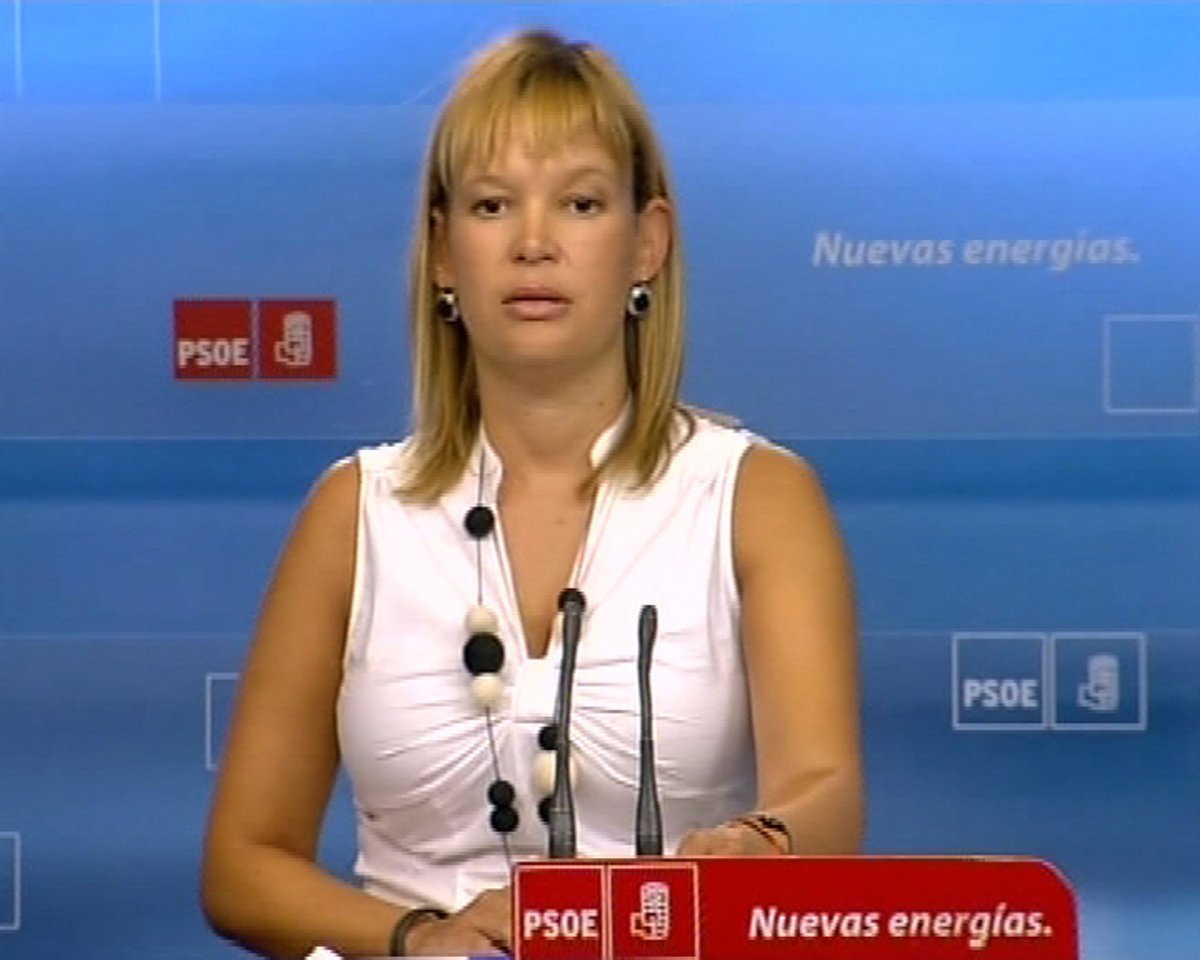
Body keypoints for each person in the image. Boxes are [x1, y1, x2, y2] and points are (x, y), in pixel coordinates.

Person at [201, 28, 862, 959]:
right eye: (492, 205)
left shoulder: (757, 498)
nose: (534, 243)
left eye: (580, 204)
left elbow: (825, 788)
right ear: (443, 251)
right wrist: (418, 937)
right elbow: (243, 864)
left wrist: (764, 841)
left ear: (647, 243)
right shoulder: (354, 514)